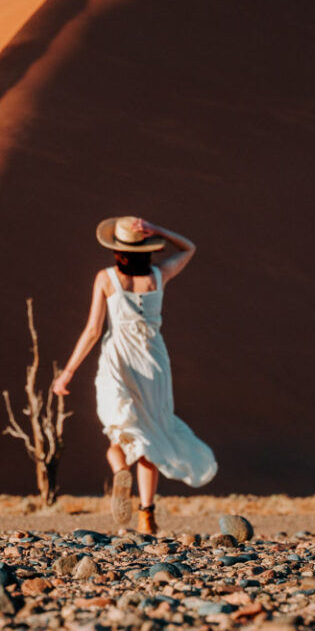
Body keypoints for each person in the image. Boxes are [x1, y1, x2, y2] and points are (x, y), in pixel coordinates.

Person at [52, 216, 217, 534]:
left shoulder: (106, 278)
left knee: (120, 431)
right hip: (153, 364)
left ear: (117, 250)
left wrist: (67, 373)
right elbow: (190, 248)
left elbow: (92, 331)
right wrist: (160, 231)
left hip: (119, 361)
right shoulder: (159, 274)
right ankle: (146, 515)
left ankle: (118, 471)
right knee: (150, 436)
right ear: (146, 248)